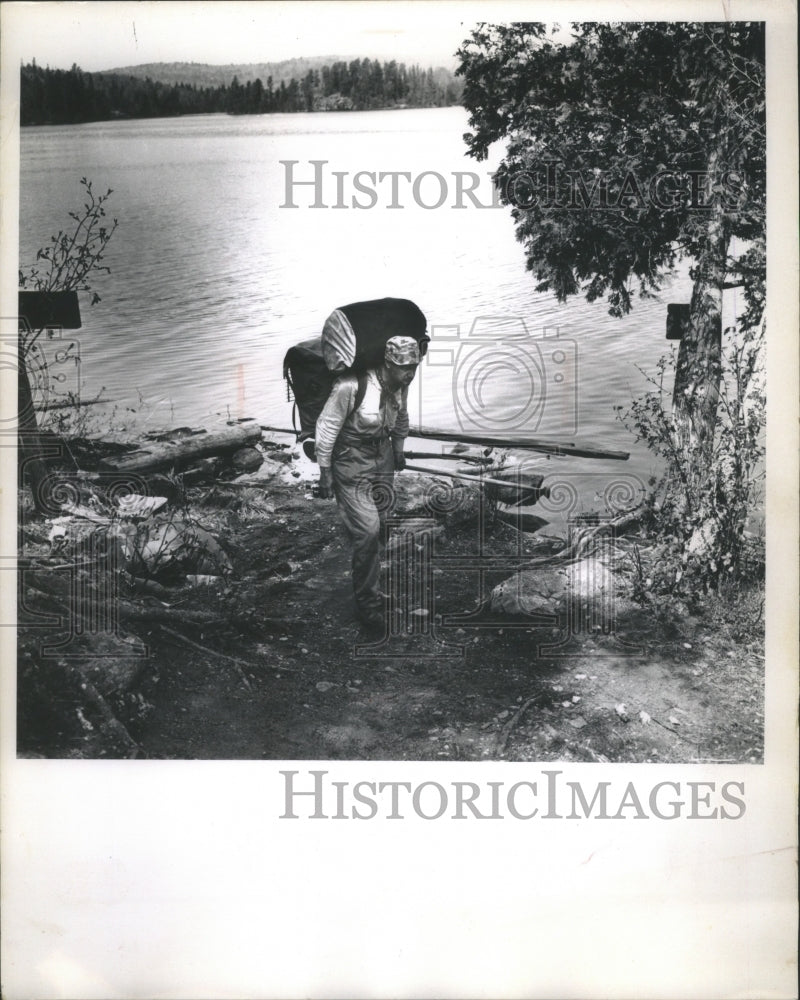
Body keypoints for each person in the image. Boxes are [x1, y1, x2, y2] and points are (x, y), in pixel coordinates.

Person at [315, 335, 421, 630]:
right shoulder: (352, 386)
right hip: (351, 460)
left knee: (382, 526)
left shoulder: (402, 383)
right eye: (404, 366)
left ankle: (372, 588)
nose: (410, 372)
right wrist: (326, 472)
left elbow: (401, 415)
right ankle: (367, 604)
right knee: (368, 530)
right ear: (388, 363)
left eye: (414, 365)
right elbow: (327, 427)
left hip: (382, 456)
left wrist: (398, 448)